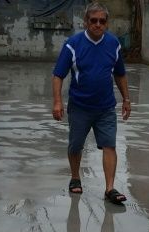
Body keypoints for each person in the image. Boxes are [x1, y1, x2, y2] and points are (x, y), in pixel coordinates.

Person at [52, 2, 131, 205]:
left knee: (110, 145)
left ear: (107, 23)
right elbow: (58, 75)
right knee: (75, 145)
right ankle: (75, 177)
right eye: (93, 20)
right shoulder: (73, 44)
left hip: (105, 108)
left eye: (102, 21)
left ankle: (110, 188)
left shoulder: (113, 44)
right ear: (86, 21)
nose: (98, 24)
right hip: (80, 107)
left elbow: (120, 74)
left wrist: (126, 99)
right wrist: (58, 102)